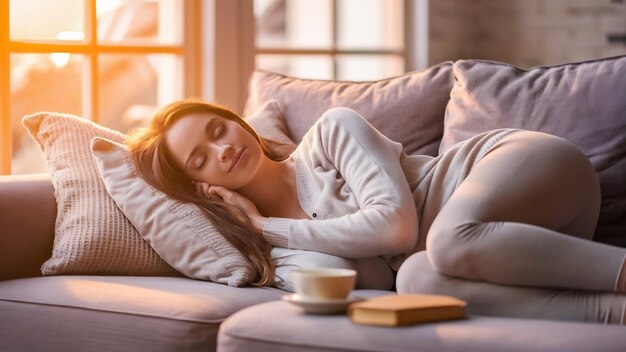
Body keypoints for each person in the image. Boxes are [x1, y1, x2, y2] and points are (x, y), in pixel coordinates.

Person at [126, 99, 626, 324]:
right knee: (416, 281)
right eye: (201, 159)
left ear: (236, 122)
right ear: (203, 186)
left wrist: (266, 225)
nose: (222, 150)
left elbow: (395, 226)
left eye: (218, 130)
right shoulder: (277, 250)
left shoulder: (331, 131)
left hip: (524, 168)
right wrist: (260, 234)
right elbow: (358, 279)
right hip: (520, 247)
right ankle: (613, 314)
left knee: (444, 242)